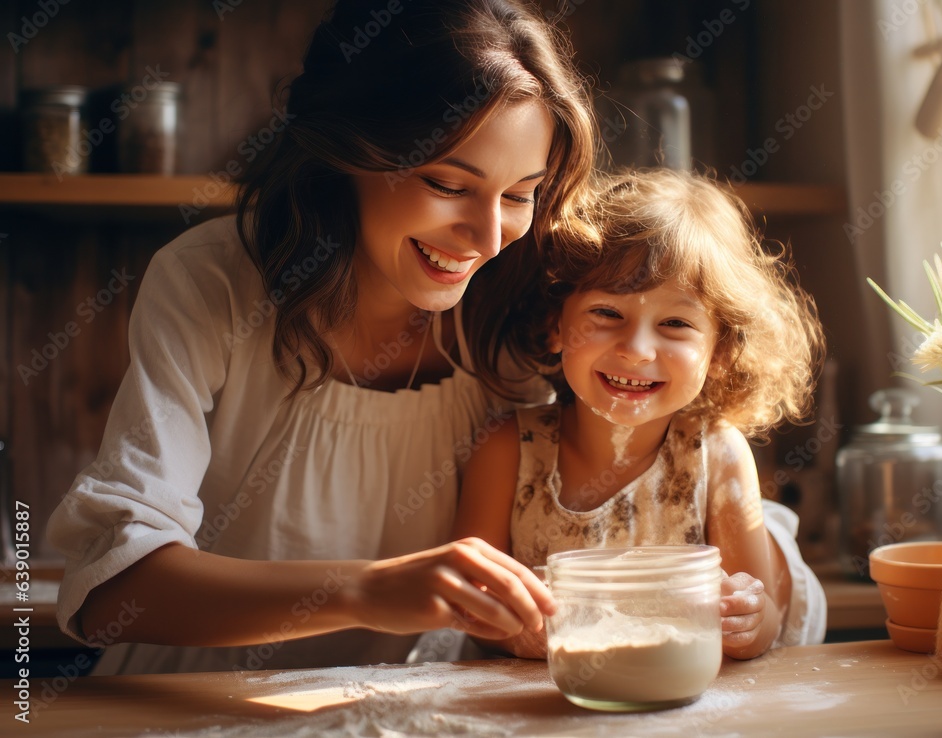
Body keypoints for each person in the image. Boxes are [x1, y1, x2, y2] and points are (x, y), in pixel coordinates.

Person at [46, 0, 597, 675]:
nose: (488, 238)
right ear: (348, 153)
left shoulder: (516, 314)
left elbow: (671, 456)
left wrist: (762, 556)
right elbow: (110, 590)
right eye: (448, 184)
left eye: (519, 195)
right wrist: (364, 590)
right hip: (178, 704)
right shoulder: (213, 282)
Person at [452, 168, 828, 661]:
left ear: (720, 353)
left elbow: (763, 621)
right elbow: (469, 603)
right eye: (607, 313)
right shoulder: (506, 449)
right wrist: (513, 632)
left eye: (675, 323)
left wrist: (746, 620)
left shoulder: (716, 454)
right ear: (554, 326)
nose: (636, 349)